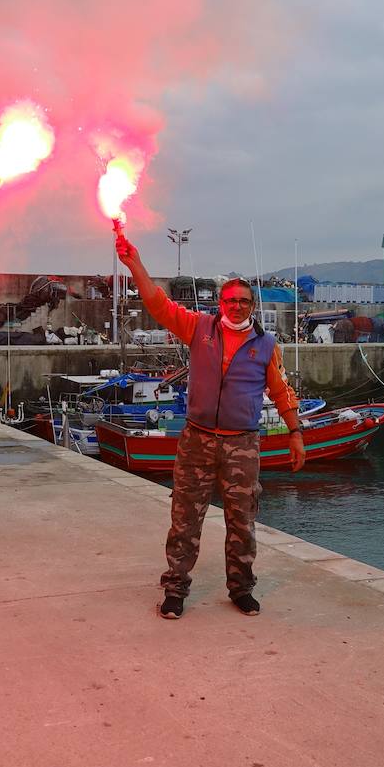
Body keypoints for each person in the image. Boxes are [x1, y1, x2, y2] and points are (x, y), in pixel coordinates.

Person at [116, 232, 304, 620]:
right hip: (197, 441)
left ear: (252, 305)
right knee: (184, 519)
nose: (237, 306)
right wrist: (135, 264)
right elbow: (157, 304)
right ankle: (175, 590)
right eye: (230, 300)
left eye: (244, 301)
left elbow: (282, 391)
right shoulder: (199, 328)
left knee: (242, 521)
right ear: (221, 303)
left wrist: (295, 433)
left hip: (242, 445)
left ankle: (241, 589)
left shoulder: (266, 345)